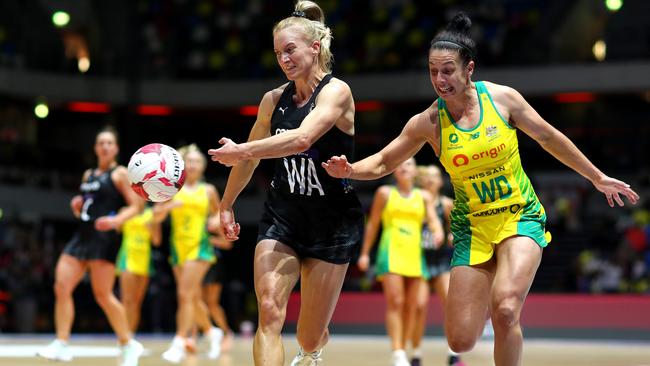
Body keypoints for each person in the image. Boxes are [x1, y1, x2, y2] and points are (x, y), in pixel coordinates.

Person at [323, 12, 639, 366]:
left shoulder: (502, 100)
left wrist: (596, 176)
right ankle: (491, 289)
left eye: (448, 71)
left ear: (468, 69)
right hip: (472, 228)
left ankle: (504, 303)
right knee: (460, 340)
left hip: (519, 216)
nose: (440, 80)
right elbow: (383, 162)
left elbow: (550, 137)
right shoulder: (428, 123)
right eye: (432, 71)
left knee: (505, 308)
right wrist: (349, 170)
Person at [207, 2, 364, 365]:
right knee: (269, 310)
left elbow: (301, 139)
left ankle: (313, 347)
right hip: (283, 217)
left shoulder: (337, 92)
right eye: (278, 53)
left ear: (314, 47)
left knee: (309, 335)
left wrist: (241, 149)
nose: (284, 59)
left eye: (290, 49)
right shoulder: (272, 100)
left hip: (332, 223)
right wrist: (226, 203)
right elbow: (250, 159)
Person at [37, 126, 145, 366]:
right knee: (61, 287)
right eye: (101, 143)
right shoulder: (89, 175)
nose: (105, 146)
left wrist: (116, 220)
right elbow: (86, 207)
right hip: (82, 236)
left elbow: (136, 206)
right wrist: (77, 206)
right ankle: (62, 343)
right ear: (96, 148)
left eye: (109, 143)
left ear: (116, 148)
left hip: (104, 238)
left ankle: (128, 344)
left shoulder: (120, 174)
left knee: (103, 295)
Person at [358, 158, 443, 366]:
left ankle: (403, 348)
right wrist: (365, 253)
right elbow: (373, 224)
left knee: (412, 306)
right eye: (400, 165)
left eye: (409, 164)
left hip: (415, 254)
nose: (404, 167)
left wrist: (438, 231)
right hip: (391, 251)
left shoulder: (423, 196)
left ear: (415, 171)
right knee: (396, 302)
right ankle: (397, 352)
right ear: (394, 171)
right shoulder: (385, 193)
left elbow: (433, 219)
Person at [153, 144, 224, 363]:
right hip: (178, 248)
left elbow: (219, 215)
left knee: (184, 294)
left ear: (202, 166)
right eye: (189, 161)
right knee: (191, 296)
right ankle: (213, 332)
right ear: (183, 165)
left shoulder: (209, 190)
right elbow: (155, 216)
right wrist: (167, 208)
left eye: (197, 161)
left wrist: (213, 222)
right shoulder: (172, 188)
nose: (193, 165)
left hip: (200, 247)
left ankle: (179, 341)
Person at [411, 164, 463, 366]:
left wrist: (451, 235)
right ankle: (415, 354)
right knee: (419, 306)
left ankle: (453, 353)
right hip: (420, 260)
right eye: (429, 176)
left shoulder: (447, 203)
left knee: (450, 306)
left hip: (441, 260)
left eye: (436, 176)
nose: (432, 180)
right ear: (423, 180)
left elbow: (456, 229)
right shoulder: (416, 201)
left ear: (441, 181)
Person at [116, 202, 162, 333]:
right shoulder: (125, 210)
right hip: (128, 257)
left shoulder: (152, 214)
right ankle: (123, 335)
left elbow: (157, 241)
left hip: (144, 260)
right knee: (126, 300)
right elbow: (116, 228)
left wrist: (151, 227)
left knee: (137, 302)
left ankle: (131, 334)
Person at [202, 228, 235, 352]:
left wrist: (208, 240)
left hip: (213, 264)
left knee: (212, 304)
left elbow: (227, 243)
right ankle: (192, 337)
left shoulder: (216, 220)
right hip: (196, 260)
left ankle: (226, 332)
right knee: (194, 301)